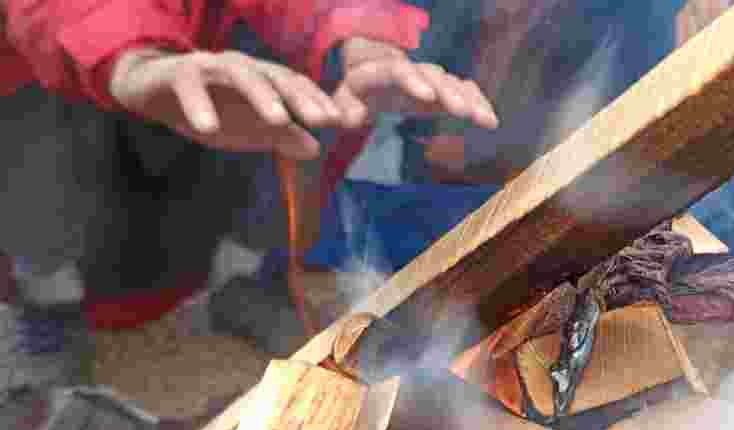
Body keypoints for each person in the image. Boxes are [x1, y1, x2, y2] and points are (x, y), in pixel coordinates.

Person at [0, 0, 498, 394]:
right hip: (66, 85)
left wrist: (361, 40)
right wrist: (128, 55)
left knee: (313, 93)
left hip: (206, 92)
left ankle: (244, 282)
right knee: (32, 112)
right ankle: (49, 315)